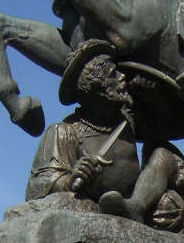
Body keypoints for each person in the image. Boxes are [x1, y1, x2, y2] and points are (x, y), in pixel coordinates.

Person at [25, 41, 141, 204]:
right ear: (98, 88)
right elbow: (35, 187)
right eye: (113, 74)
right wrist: (69, 180)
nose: (122, 77)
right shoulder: (64, 132)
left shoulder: (127, 119)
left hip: (135, 205)